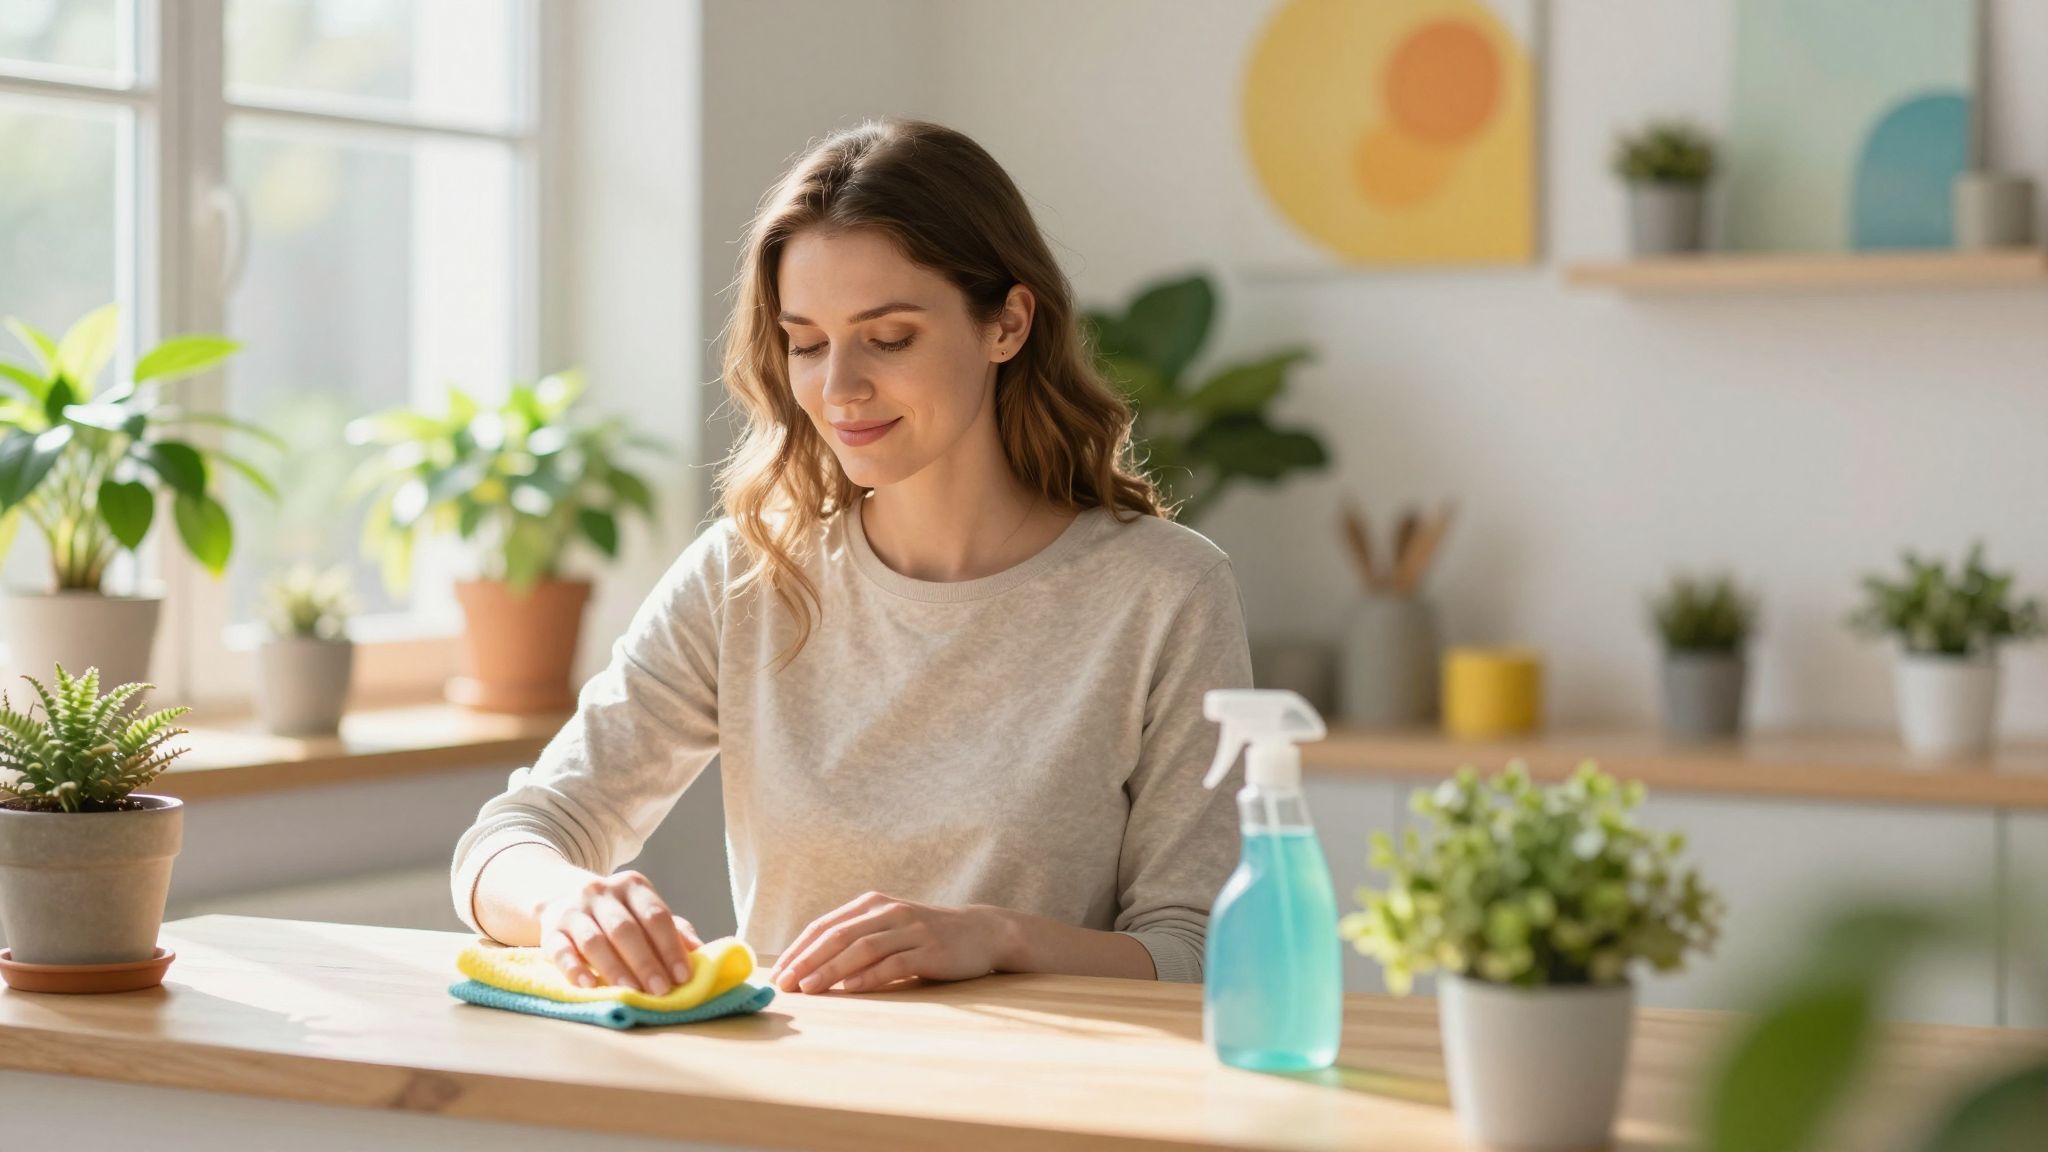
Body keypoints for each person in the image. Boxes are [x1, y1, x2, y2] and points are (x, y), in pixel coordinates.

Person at [449, 118, 1253, 998]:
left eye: (890, 337)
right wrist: (570, 902)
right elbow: (513, 839)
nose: (839, 389)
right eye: (806, 342)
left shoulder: (1165, 593)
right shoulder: (748, 575)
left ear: (1009, 324)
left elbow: (1201, 951)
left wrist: (994, 938)